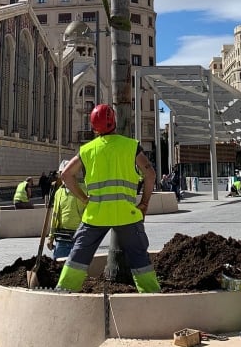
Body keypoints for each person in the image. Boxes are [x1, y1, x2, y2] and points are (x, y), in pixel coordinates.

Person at [55, 104, 160, 294]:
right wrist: (144, 203)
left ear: (94, 127)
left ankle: (63, 293)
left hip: (96, 215)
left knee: (78, 256)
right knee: (139, 258)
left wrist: (84, 198)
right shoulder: (130, 146)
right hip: (127, 214)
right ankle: (152, 295)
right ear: (115, 122)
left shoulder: (87, 149)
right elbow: (150, 175)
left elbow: (66, 175)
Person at [46, 161, 84, 261]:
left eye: (67, 173)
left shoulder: (84, 190)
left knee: (77, 268)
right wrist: (51, 237)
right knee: (58, 267)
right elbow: (55, 216)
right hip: (62, 239)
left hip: (79, 237)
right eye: (62, 173)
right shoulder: (59, 192)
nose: (64, 176)